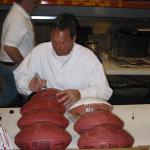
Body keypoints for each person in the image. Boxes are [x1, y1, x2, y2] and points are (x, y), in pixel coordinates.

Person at [13, 13, 113, 108]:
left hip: (77, 110)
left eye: (62, 43)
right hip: (47, 108)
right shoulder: (40, 51)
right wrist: (29, 84)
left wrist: (80, 94)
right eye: (54, 41)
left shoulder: (87, 57)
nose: (57, 47)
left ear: (74, 38)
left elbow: (104, 91)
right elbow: (20, 76)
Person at [0, 0, 39, 107]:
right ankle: (28, 116)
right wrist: (25, 67)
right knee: (28, 93)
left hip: (9, 65)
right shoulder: (18, 18)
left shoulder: (18, 14)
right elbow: (9, 47)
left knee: (10, 94)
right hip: (12, 66)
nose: (36, 4)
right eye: (35, 1)